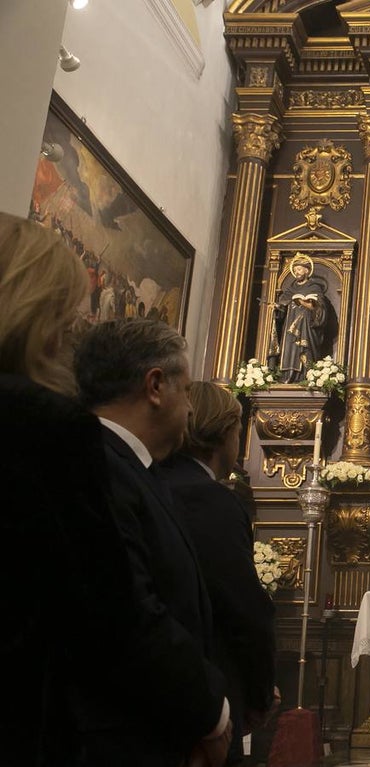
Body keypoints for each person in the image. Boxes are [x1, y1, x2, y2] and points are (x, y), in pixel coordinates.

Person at [0, 214, 229, 767]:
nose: (70, 334)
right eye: (65, 315)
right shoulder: (42, 426)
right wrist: (211, 714)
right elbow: (112, 612)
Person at [74, 318, 233, 766]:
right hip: (122, 739)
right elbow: (130, 610)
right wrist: (212, 713)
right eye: (186, 391)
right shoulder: (97, 467)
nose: (189, 410)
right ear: (156, 386)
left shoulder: (133, 468)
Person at [158, 382, 278, 766]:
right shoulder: (210, 499)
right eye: (239, 430)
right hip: (204, 695)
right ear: (224, 431)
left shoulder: (152, 481)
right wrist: (258, 694)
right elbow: (243, 606)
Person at [271, 252, 335, 382]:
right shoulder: (291, 289)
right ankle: (287, 376)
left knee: (305, 351)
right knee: (289, 350)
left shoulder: (314, 287)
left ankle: (305, 376)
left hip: (307, 328)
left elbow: (320, 310)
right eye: (295, 270)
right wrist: (278, 308)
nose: (297, 273)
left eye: (299, 269)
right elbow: (283, 306)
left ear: (307, 270)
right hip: (290, 328)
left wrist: (304, 303)